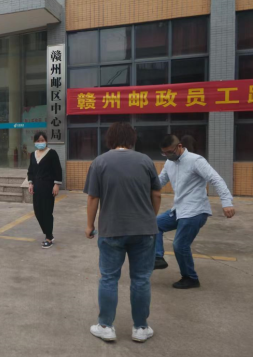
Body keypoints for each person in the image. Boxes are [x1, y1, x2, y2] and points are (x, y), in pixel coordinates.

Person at [84, 122, 162, 343]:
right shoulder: (145, 161)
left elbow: (93, 197)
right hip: (144, 230)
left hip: (112, 230)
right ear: (132, 139)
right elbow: (157, 194)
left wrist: (89, 225)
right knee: (141, 279)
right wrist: (150, 218)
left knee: (109, 278)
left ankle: (106, 326)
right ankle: (140, 328)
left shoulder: (99, 162)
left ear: (110, 139)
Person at [154, 135, 236, 289]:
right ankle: (158, 257)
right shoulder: (169, 163)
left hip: (195, 211)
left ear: (179, 146)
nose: (168, 155)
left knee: (180, 245)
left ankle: (190, 278)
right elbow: (160, 181)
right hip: (179, 209)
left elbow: (216, 179)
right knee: (154, 224)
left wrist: (226, 202)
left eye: (170, 152)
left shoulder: (196, 160)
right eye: (164, 153)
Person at [27, 132, 62, 248]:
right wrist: (30, 183)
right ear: (34, 142)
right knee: (38, 212)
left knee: (47, 211)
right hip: (37, 187)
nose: (40, 142)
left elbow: (57, 170)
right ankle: (48, 233)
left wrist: (56, 185)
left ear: (46, 141)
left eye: (42, 140)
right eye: (38, 141)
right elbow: (31, 171)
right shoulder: (33, 155)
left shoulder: (52, 153)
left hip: (48, 186)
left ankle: (49, 237)